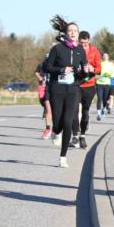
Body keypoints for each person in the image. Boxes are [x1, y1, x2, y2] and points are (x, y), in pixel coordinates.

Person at [43, 15, 94, 168]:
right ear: (65, 33)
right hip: (57, 88)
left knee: (68, 122)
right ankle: (55, 131)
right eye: (70, 30)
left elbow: (82, 73)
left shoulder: (80, 51)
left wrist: (86, 71)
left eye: (75, 31)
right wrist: (61, 70)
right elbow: (47, 68)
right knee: (58, 122)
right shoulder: (57, 49)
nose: (73, 33)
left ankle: (63, 157)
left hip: (73, 89)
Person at [72, 31, 102, 148]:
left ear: (89, 41)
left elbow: (99, 69)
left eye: (85, 43)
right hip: (77, 84)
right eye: (81, 43)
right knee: (74, 109)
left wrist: (92, 68)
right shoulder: (75, 50)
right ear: (78, 41)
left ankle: (82, 136)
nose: (83, 45)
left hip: (89, 85)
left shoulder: (95, 52)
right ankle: (74, 136)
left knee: (85, 111)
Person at [35, 59, 52, 139]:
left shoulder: (58, 64)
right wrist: (40, 78)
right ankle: (45, 109)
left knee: (48, 108)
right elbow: (36, 72)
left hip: (53, 88)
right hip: (43, 86)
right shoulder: (42, 64)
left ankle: (48, 129)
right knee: (43, 102)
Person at [95, 52, 114, 120]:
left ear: (108, 57)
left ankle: (103, 110)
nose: (104, 57)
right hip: (99, 83)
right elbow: (96, 72)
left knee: (104, 99)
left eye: (106, 56)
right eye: (103, 56)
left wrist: (108, 75)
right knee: (99, 98)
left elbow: (113, 74)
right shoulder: (99, 63)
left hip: (107, 84)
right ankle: (98, 113)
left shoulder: (111, 64)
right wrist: (98, 76)